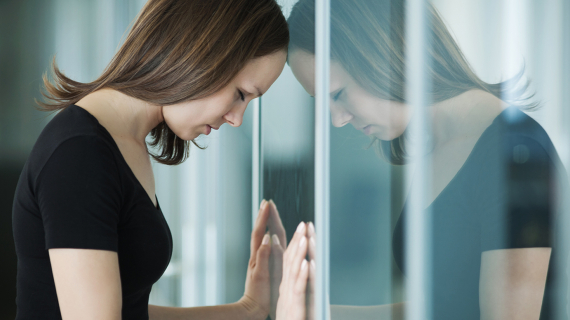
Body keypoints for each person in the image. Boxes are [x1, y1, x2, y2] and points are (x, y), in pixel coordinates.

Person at [277, 0, 569, 319]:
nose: (337, 120)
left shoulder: (516, 155)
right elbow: (444, 308)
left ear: (383, 55)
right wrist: (315, 314)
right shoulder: (441, 147)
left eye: (337, 94)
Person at [11, 0, 291, 319]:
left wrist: (249, 310)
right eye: (240, 94)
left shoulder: (119, 143)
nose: (237, 118)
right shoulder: (80, 156)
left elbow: (130, 312)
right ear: (198, 53)